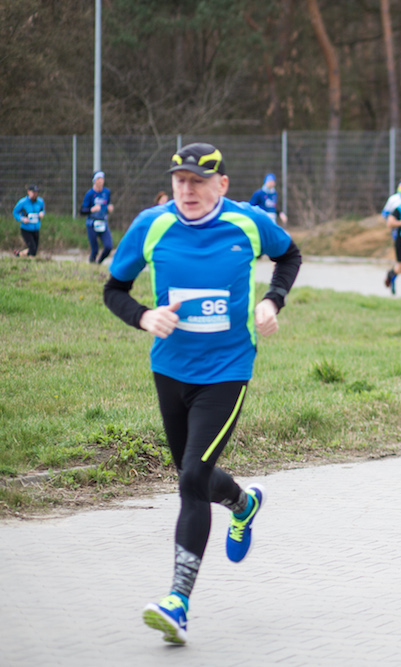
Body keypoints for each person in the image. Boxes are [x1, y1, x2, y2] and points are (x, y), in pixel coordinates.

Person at [102, 142, 301, 644]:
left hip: (228, 369)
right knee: (193, 473)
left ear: (221, 184)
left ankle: (178, 602)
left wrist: (272, 300)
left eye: (198, 181)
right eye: (180, 181)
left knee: (191, 478)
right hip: (170, 369)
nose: (187, 190)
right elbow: (114, 290)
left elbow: (289, 254)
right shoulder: (151, 225)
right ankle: (243, 503)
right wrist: (144, 316)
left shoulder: (248, 222)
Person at [80, 171, 115, 263]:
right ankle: (92, 264)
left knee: (108, 246)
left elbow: (108, 204)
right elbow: (82, 211)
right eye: (98, 179)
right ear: (94, 181)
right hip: (92, 224)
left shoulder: (107, 192)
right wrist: (92, 209)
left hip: (103, 223)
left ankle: (99, 262)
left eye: (102, 179)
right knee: (95, 250)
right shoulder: (90, 194)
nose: (101, 181)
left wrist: (109, 208)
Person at [12, 184, 44, 257]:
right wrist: (22, 219)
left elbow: (42, 210)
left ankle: (19, 254)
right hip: (26, 229)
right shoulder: (23, 202)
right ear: (28, 192)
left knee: (34, 250)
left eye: (36, 192)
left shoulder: (40, 201)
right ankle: (30, 262)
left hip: (36, 229)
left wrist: (42, 213)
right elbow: (15, 212)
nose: (35, 194)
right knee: (33, 249)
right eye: (33, 192)